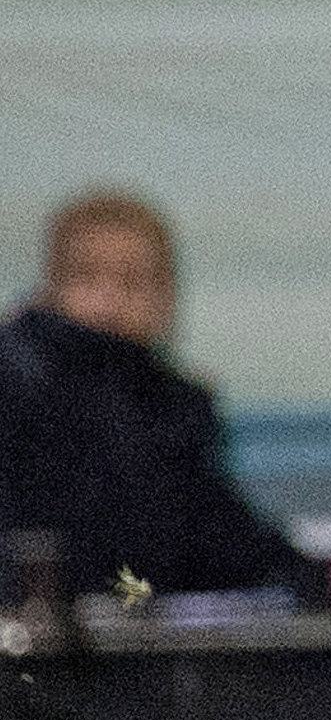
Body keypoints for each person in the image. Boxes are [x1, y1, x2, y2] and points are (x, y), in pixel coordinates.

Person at [0, 190, 307, 603]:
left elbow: (216, 542)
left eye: (132, 281)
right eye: (86, 276)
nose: (108, 301)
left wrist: (320, 582)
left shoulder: (174, 411)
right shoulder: (19, 393)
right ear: (51, 288)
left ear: (166, 298)